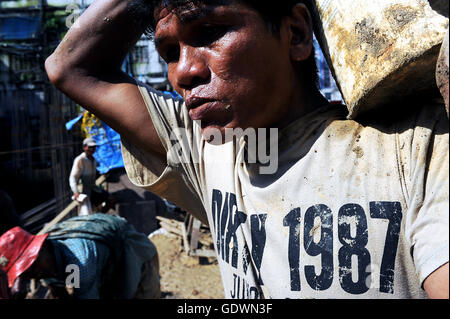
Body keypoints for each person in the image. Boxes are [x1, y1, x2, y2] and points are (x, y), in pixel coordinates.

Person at [44, 0, 449, 299]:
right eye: (169, 53)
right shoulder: (208, 150)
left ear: (295, 33)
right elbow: (69, 67)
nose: (183, 71)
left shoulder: (415, 145)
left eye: (210, 32)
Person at [0, 213, 160, 299]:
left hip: (135, 255)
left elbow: (76, 284)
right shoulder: (46, 263)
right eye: (26, 272)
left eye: (31, 267)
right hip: (103, 267)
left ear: (40, 250)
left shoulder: (77, 265)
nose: (33, 275)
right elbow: (60, 290)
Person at [69, 137, 114, 214]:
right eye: (90, 147)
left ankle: (100, 214)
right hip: (83, 191)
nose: (92, 149)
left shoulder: (93, 160)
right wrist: (76, 191)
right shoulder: (80, 159)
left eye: (93, 147)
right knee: (86, 212)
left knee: (110, 199)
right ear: (84, 147)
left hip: (93, 188)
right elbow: (73, 177)